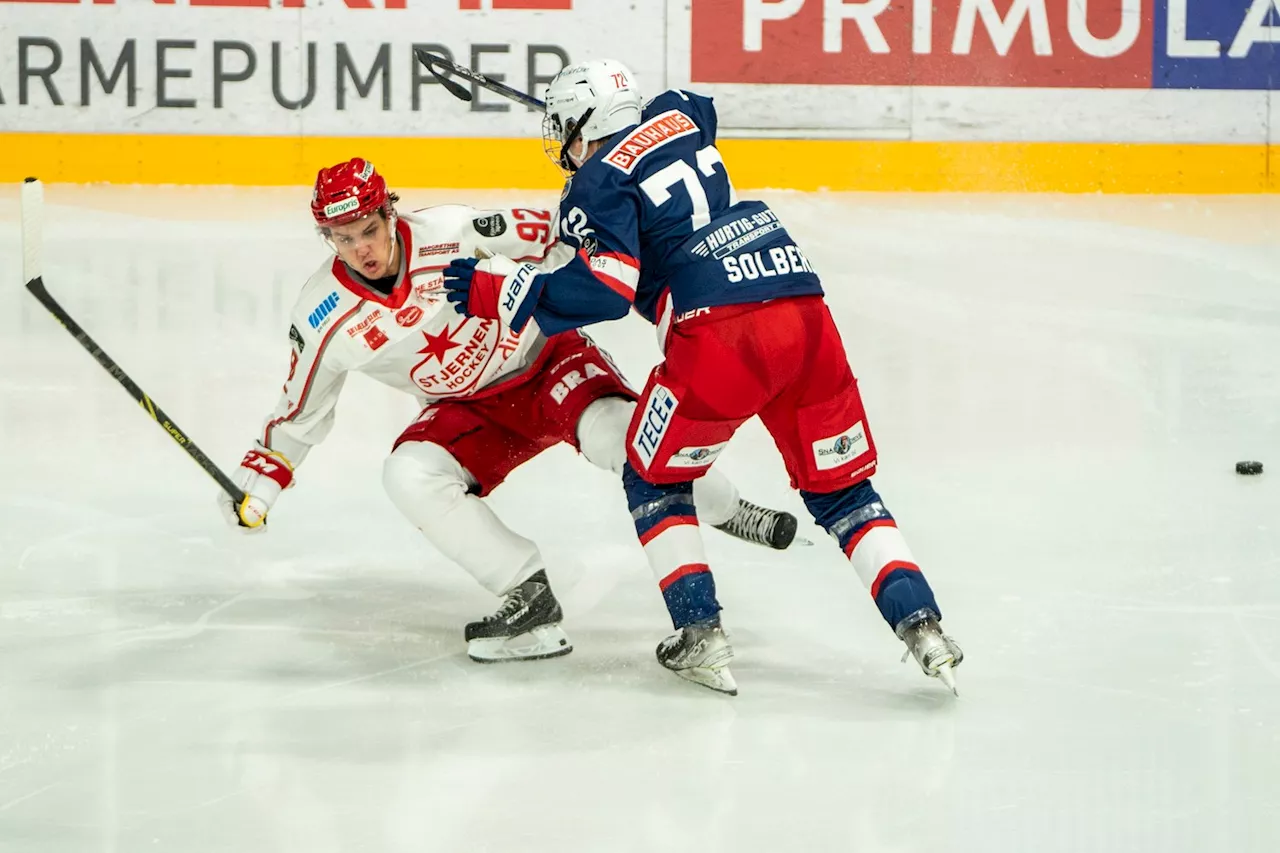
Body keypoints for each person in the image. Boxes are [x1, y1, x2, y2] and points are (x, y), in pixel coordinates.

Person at [440, 63, 963, 696]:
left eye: (567, 132)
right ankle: (924, 626)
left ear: (584, 126)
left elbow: (606, 290)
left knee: (651, 474)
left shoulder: (594, 188)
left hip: (718, 329)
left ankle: (700, 633)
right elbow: (693, 105)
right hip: (800, 306)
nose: (563, 146)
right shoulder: (684, 114)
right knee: (843, 491)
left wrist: (503, 288)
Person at [218, 158, 800, 664]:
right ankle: (528, 595)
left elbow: (561, 235)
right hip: (468, 409)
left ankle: (728, 508)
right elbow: (297, 413)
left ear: (391, 213)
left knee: (624, 441)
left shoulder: (454, 229)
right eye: (342, 239)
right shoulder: (321, 315)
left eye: (368, 230)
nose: (361, 249)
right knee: (408, 474)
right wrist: (257, 491)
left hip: (546, 362)